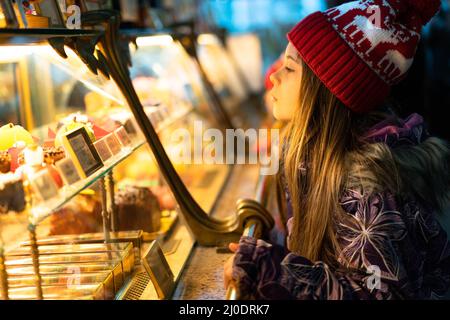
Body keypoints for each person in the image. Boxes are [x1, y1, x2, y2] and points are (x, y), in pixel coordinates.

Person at [224, 0, 450, 300]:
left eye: (289, 68)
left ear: (326, 92)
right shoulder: (313, 157)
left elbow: (378, 292)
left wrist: (270, 268)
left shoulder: (368, 191)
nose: (275, 76)